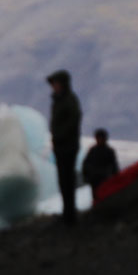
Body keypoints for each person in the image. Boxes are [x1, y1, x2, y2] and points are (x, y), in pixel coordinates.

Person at [47, 70, 82, 226]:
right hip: (61, 147)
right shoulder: (59, 100)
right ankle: (67, 213)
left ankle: (70, 215)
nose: (54, 86)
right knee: (63, 180)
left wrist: (60, 135)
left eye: (56, 83)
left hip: (68, 147)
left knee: (67, 180)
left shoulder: (69, 100)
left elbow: (74, 120)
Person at [80, 128, 120, 197]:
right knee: (96, 197)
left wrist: (116, 178)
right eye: (99, 137)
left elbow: (114, 166)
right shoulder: (93, 150)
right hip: (94, 179)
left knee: (105, 196)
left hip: (105, 179)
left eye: (102, 137)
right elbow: (86, 164)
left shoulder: (109, 151)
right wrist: (86, 176)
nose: (100, 139)